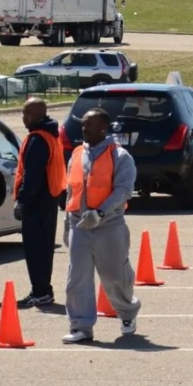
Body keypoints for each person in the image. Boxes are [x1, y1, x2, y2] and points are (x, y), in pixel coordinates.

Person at [61, 108, 141, 344]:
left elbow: (124, 190)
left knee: (115, 276)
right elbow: (71, 191)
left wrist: (100, 212)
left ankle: (127, 313)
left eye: (89, 125)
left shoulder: (120, 156)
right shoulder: (76, 154)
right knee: (77, 278)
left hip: (109, 225)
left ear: (103, 128)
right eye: (83, 125)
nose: (84, 129)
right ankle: (81, 326)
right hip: (79, 226)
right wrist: (67, 223)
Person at [14, 98, 67, 308]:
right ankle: (43, 290)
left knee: (36, 249)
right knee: (43, 249)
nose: (23, 117)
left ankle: (41, 291)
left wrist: (22, 201)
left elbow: (32, 175)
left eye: (26, 113)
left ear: (37, 115)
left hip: (38, 201)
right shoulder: (50, 135)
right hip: (49, 199)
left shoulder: (38, 139)